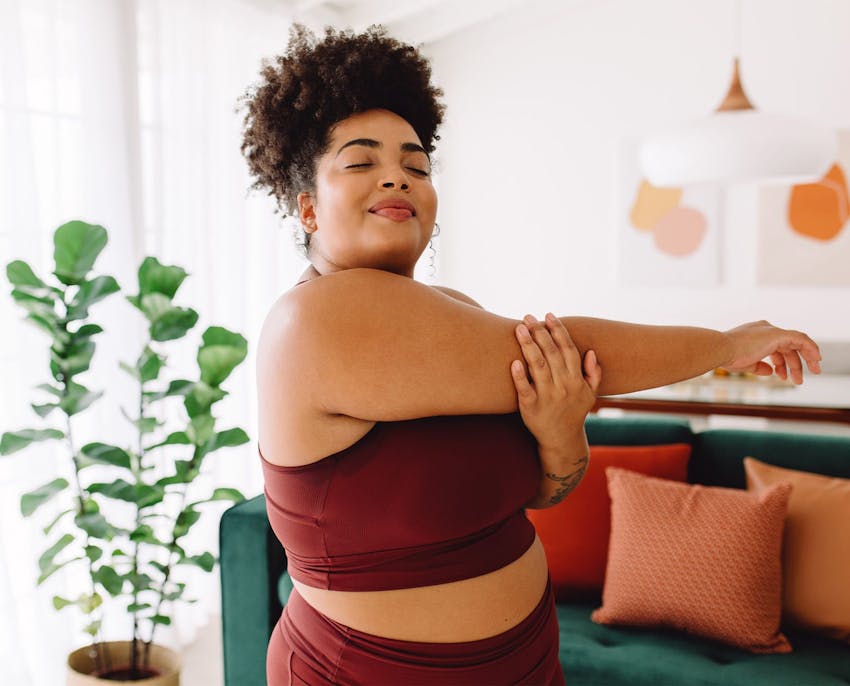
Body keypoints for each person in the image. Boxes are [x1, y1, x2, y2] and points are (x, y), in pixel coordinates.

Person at [240, 25, 822, 686]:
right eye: (362, 161)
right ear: (308, 208)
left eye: (417, 164)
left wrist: (560, 431)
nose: (397, 175)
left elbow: (546, 491)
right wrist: (731, 344)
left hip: (524, 661)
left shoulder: (453, 308)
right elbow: (566, 350)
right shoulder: (313, 320)